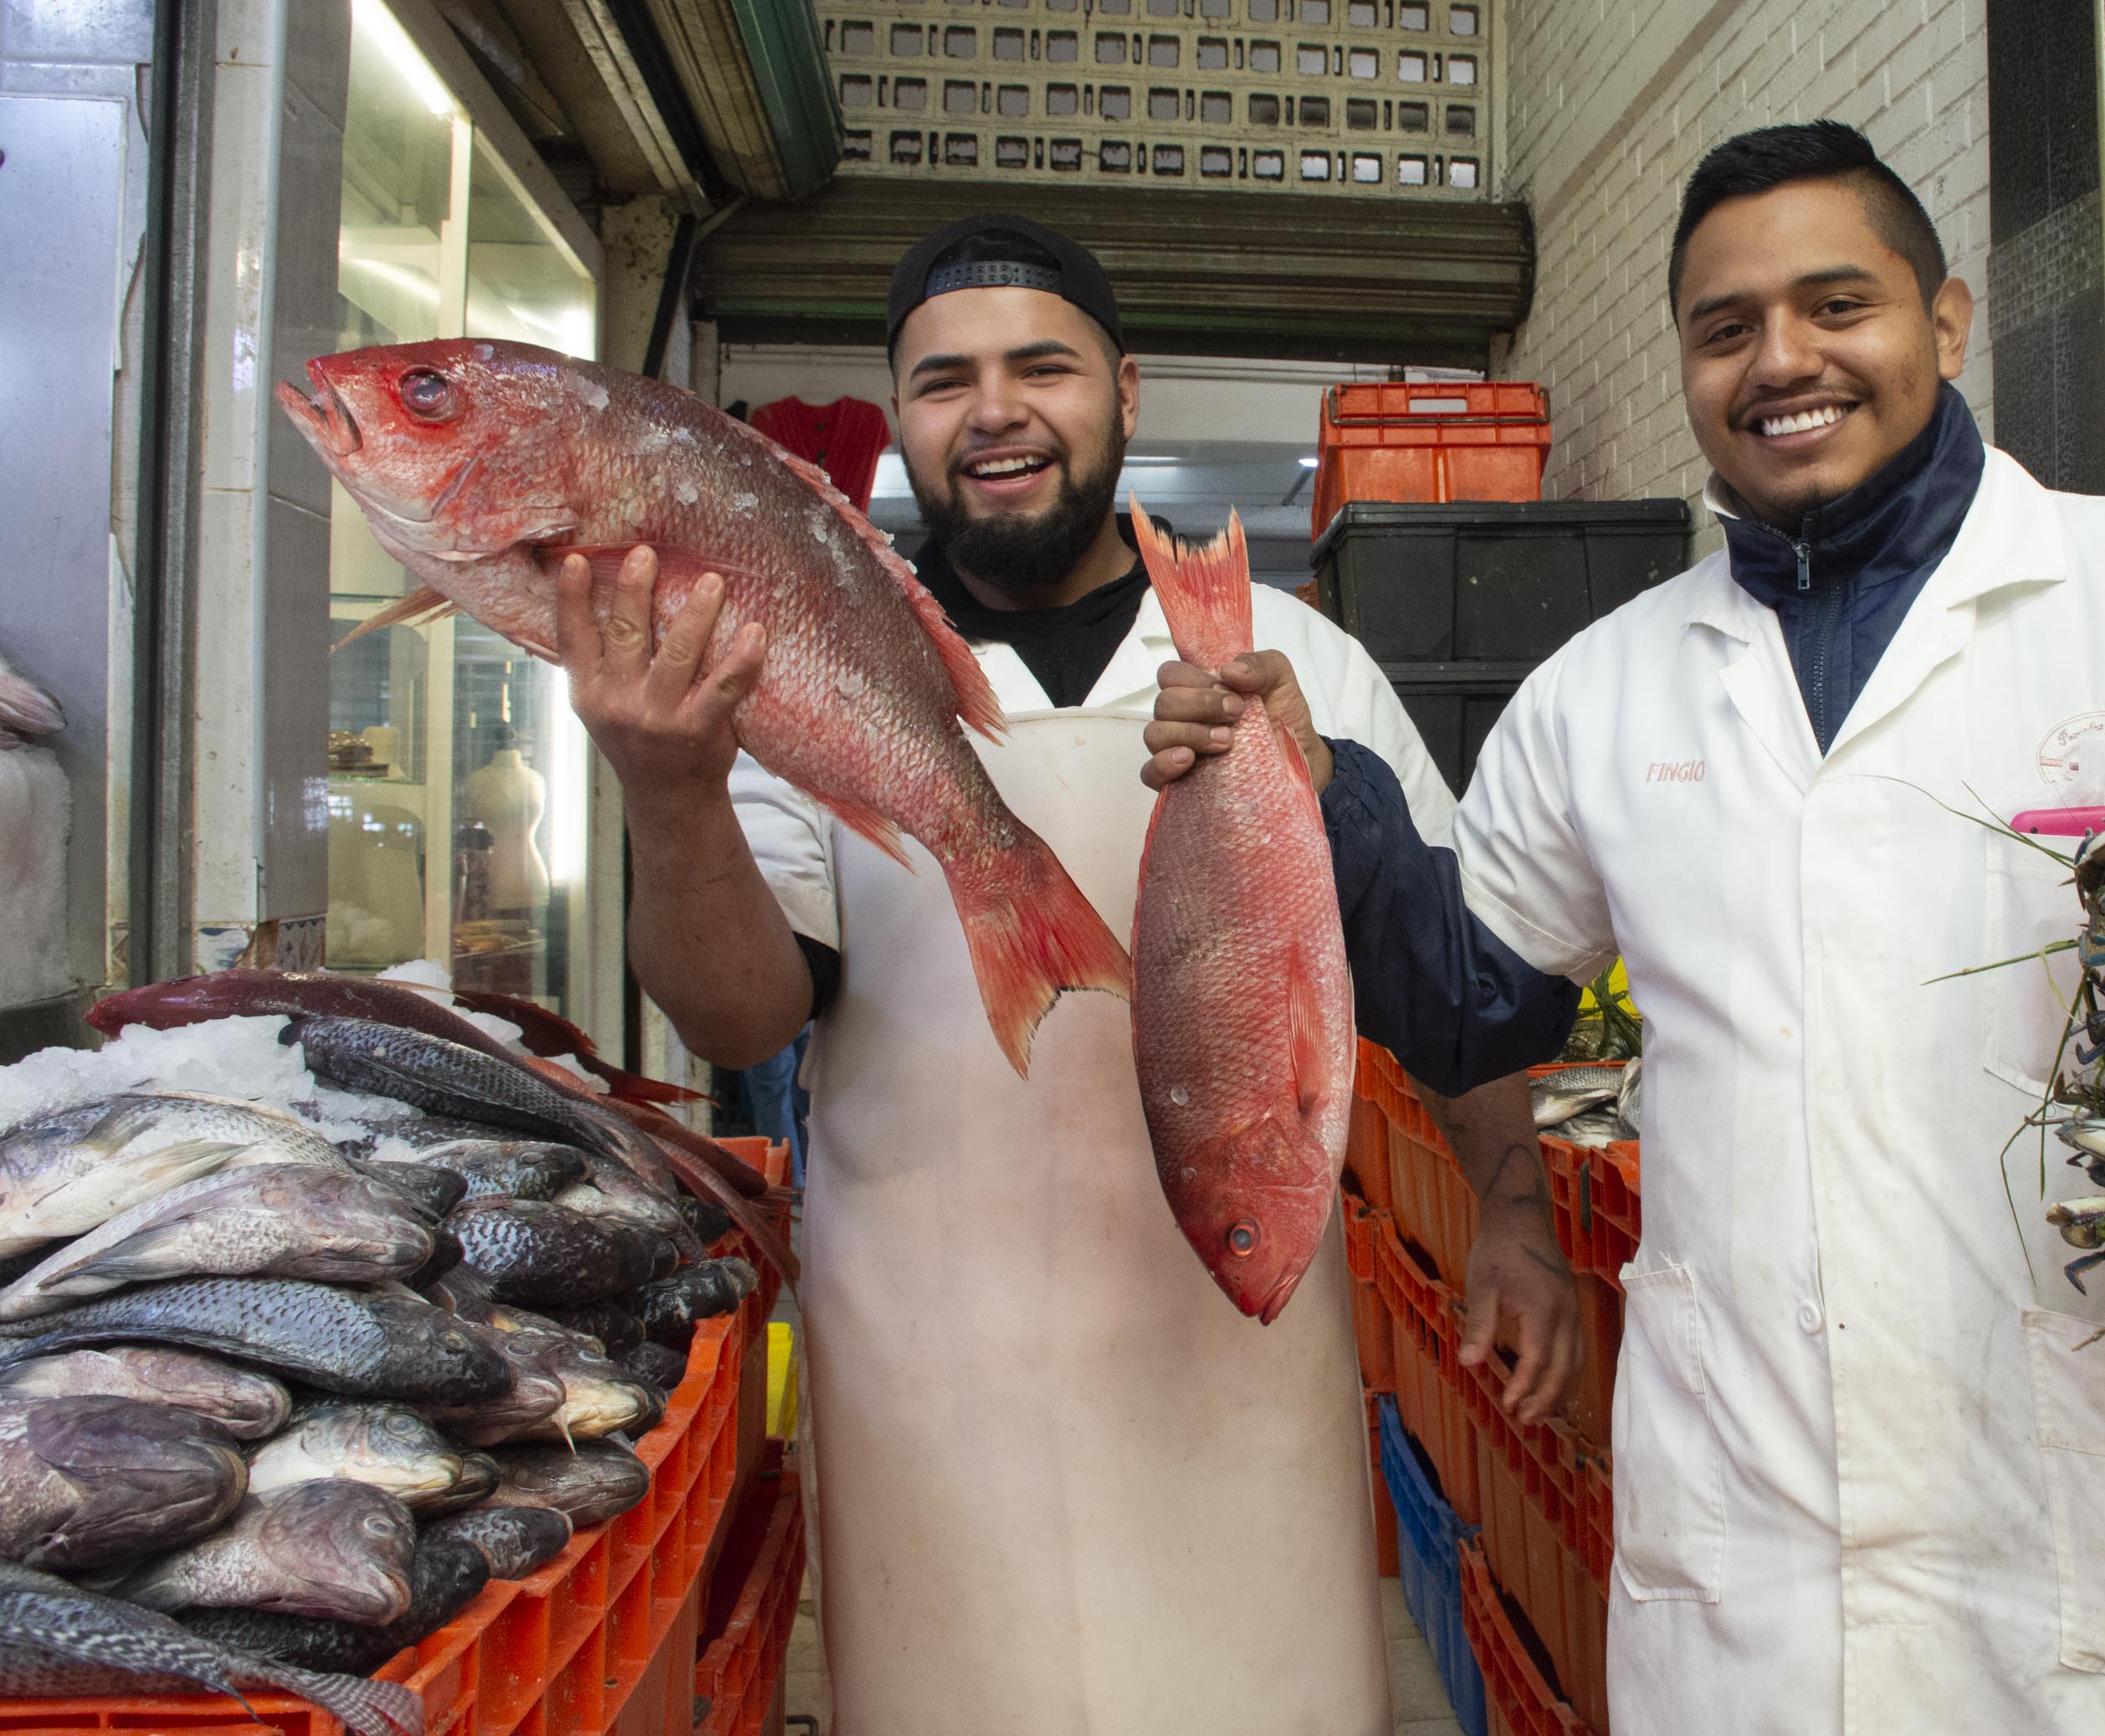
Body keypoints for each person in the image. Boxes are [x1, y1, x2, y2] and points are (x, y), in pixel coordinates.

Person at [1143, 123, 2105, 1734]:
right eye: (1726, 328)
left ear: (1946, 319)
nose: (1781, 358)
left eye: (1835, 304)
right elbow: (1466, 1009)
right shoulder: (1607, 690)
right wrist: (1325, 797)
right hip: (1761, 1608)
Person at [556, 213, 1578, 1733]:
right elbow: (740, 1010)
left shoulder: (1288, 650)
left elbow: (1438, 951)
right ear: (902, 416)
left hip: (1231, 1342)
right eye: (945, 377)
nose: (996, 411)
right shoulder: (813, 671)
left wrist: (1514, 1210)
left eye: (1044, 365)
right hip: (924, 1388)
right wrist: (671, 790)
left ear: (1127, 389)